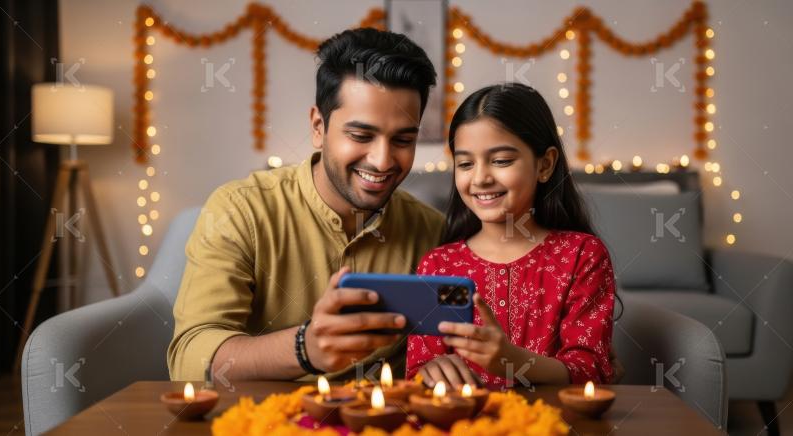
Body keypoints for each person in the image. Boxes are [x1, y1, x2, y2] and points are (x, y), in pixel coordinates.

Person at [168, 28, 444, 382]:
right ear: (318, 126)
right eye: (361, 136)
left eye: (403, 139)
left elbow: (442, 349)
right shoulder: (240, 211)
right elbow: (189, 358)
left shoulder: (432, 231)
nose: (382, 159)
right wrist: (306, 348)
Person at [406, 83, 617, 390]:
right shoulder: (438, 265)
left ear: (544, 165)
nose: (480, 178)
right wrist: (433, 371)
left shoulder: (582, 255)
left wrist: (512, 360)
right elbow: (418, 370)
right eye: (465, 164)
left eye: (501, 160)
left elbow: (592, 369)